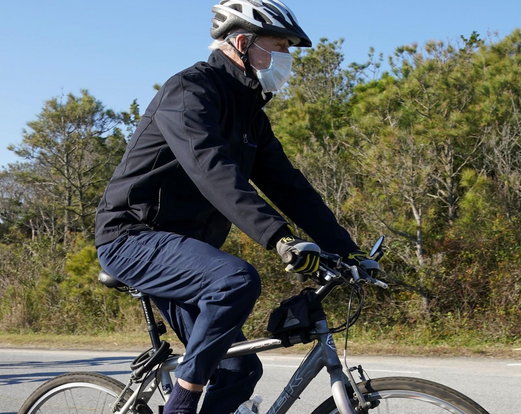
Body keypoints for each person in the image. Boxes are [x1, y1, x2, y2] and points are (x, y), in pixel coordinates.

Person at [94, 1, 373, 413]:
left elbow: (290, 187)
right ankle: (181, 405)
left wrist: (349, 251)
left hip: (186, 252)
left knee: (238, 370)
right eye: (280, 46)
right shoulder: (189, 92)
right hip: (133, 237)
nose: (287, 59)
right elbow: (213, 170)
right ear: (242, 43)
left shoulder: (250, 114)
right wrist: (279, 238)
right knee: (236, 280)